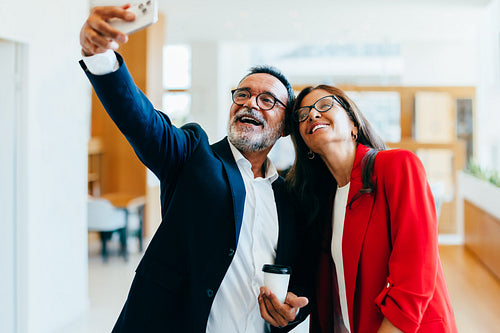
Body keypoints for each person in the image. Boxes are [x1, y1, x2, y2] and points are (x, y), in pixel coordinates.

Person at [79, 5, 308, 332]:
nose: (249, 103)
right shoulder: (192, 154)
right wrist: (100, 55)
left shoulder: (289, 197)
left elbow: (300, 279)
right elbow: (141, 120)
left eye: (267, 100)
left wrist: (291, 312)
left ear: (285, 125)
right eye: (242, 94)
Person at [259, 84, 457, 333]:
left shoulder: (397, 166)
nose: (312, 114)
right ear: (305, 144)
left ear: (353, 124)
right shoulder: (321, 202)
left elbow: (416, 277)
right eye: (303, 114)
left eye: (324, 105)